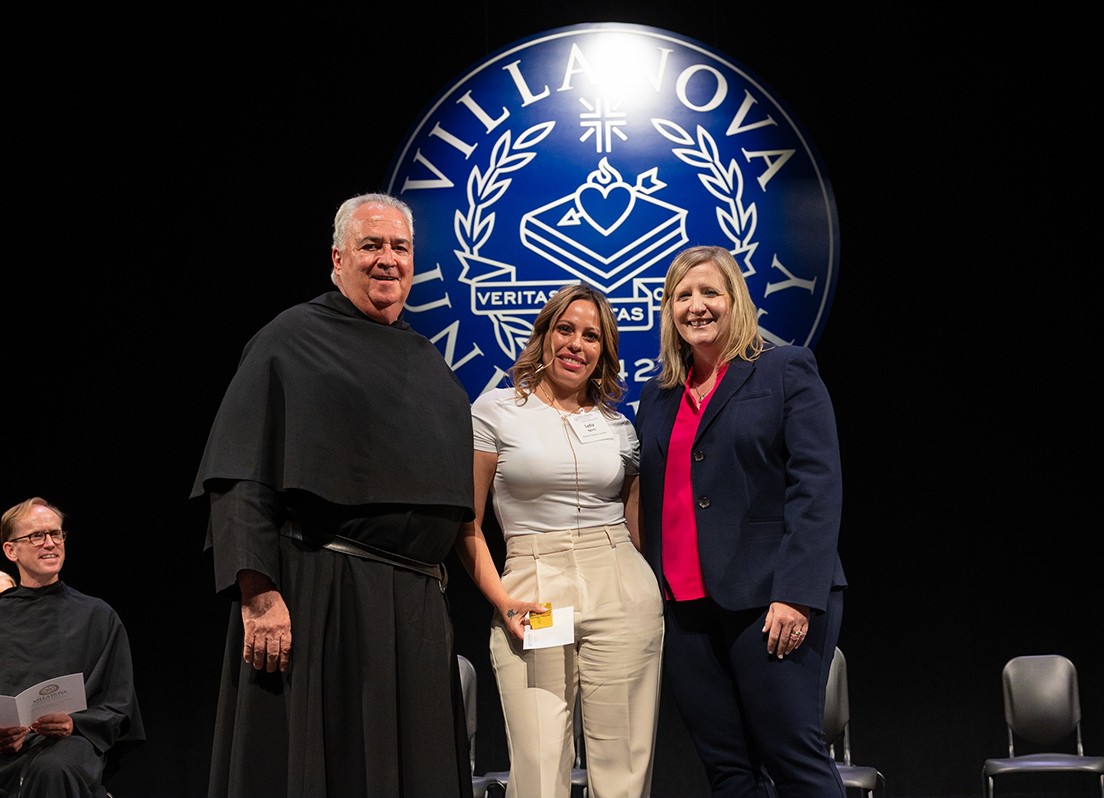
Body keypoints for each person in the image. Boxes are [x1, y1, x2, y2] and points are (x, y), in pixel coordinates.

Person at [191, 193, 476, 798]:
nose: (388, 260)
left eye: (400, 247)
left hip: (417, 606)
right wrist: (258, 592)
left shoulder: (430, 364)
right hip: (323, 595)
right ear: (337, 257)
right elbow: (241, 473)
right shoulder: (290, 339)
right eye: (371, 245)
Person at [633, 245, 848, 797]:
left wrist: (797, 593)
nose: (696, 306)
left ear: (736, 302)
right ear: (669, 311)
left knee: (793, 757)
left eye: (710, 293)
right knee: (728, 772)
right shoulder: (656, 400)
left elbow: (817, 489)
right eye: (682, 296)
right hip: (685, 611)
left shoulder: (783, 369)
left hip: (771, 600)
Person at [455, 284, 663, 798]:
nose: (576, 344)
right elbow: (467, 526)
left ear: (605, 351)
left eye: (591, 335)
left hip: (620, 586)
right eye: (565, 329)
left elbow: (639, 528)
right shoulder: (495, 411)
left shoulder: (619, 425)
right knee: (540, 764)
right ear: (544, 336)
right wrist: (502, 601)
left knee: (623, 767)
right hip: (536, 590)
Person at [0, 496, 145, 798]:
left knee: (52, 768)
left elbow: (117, 704)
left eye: (56, 533)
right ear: (10, 550)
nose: (50, 543)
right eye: (37, 536)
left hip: (70, 742)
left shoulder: (97, 615)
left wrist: (72, 723)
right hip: (6, 751)